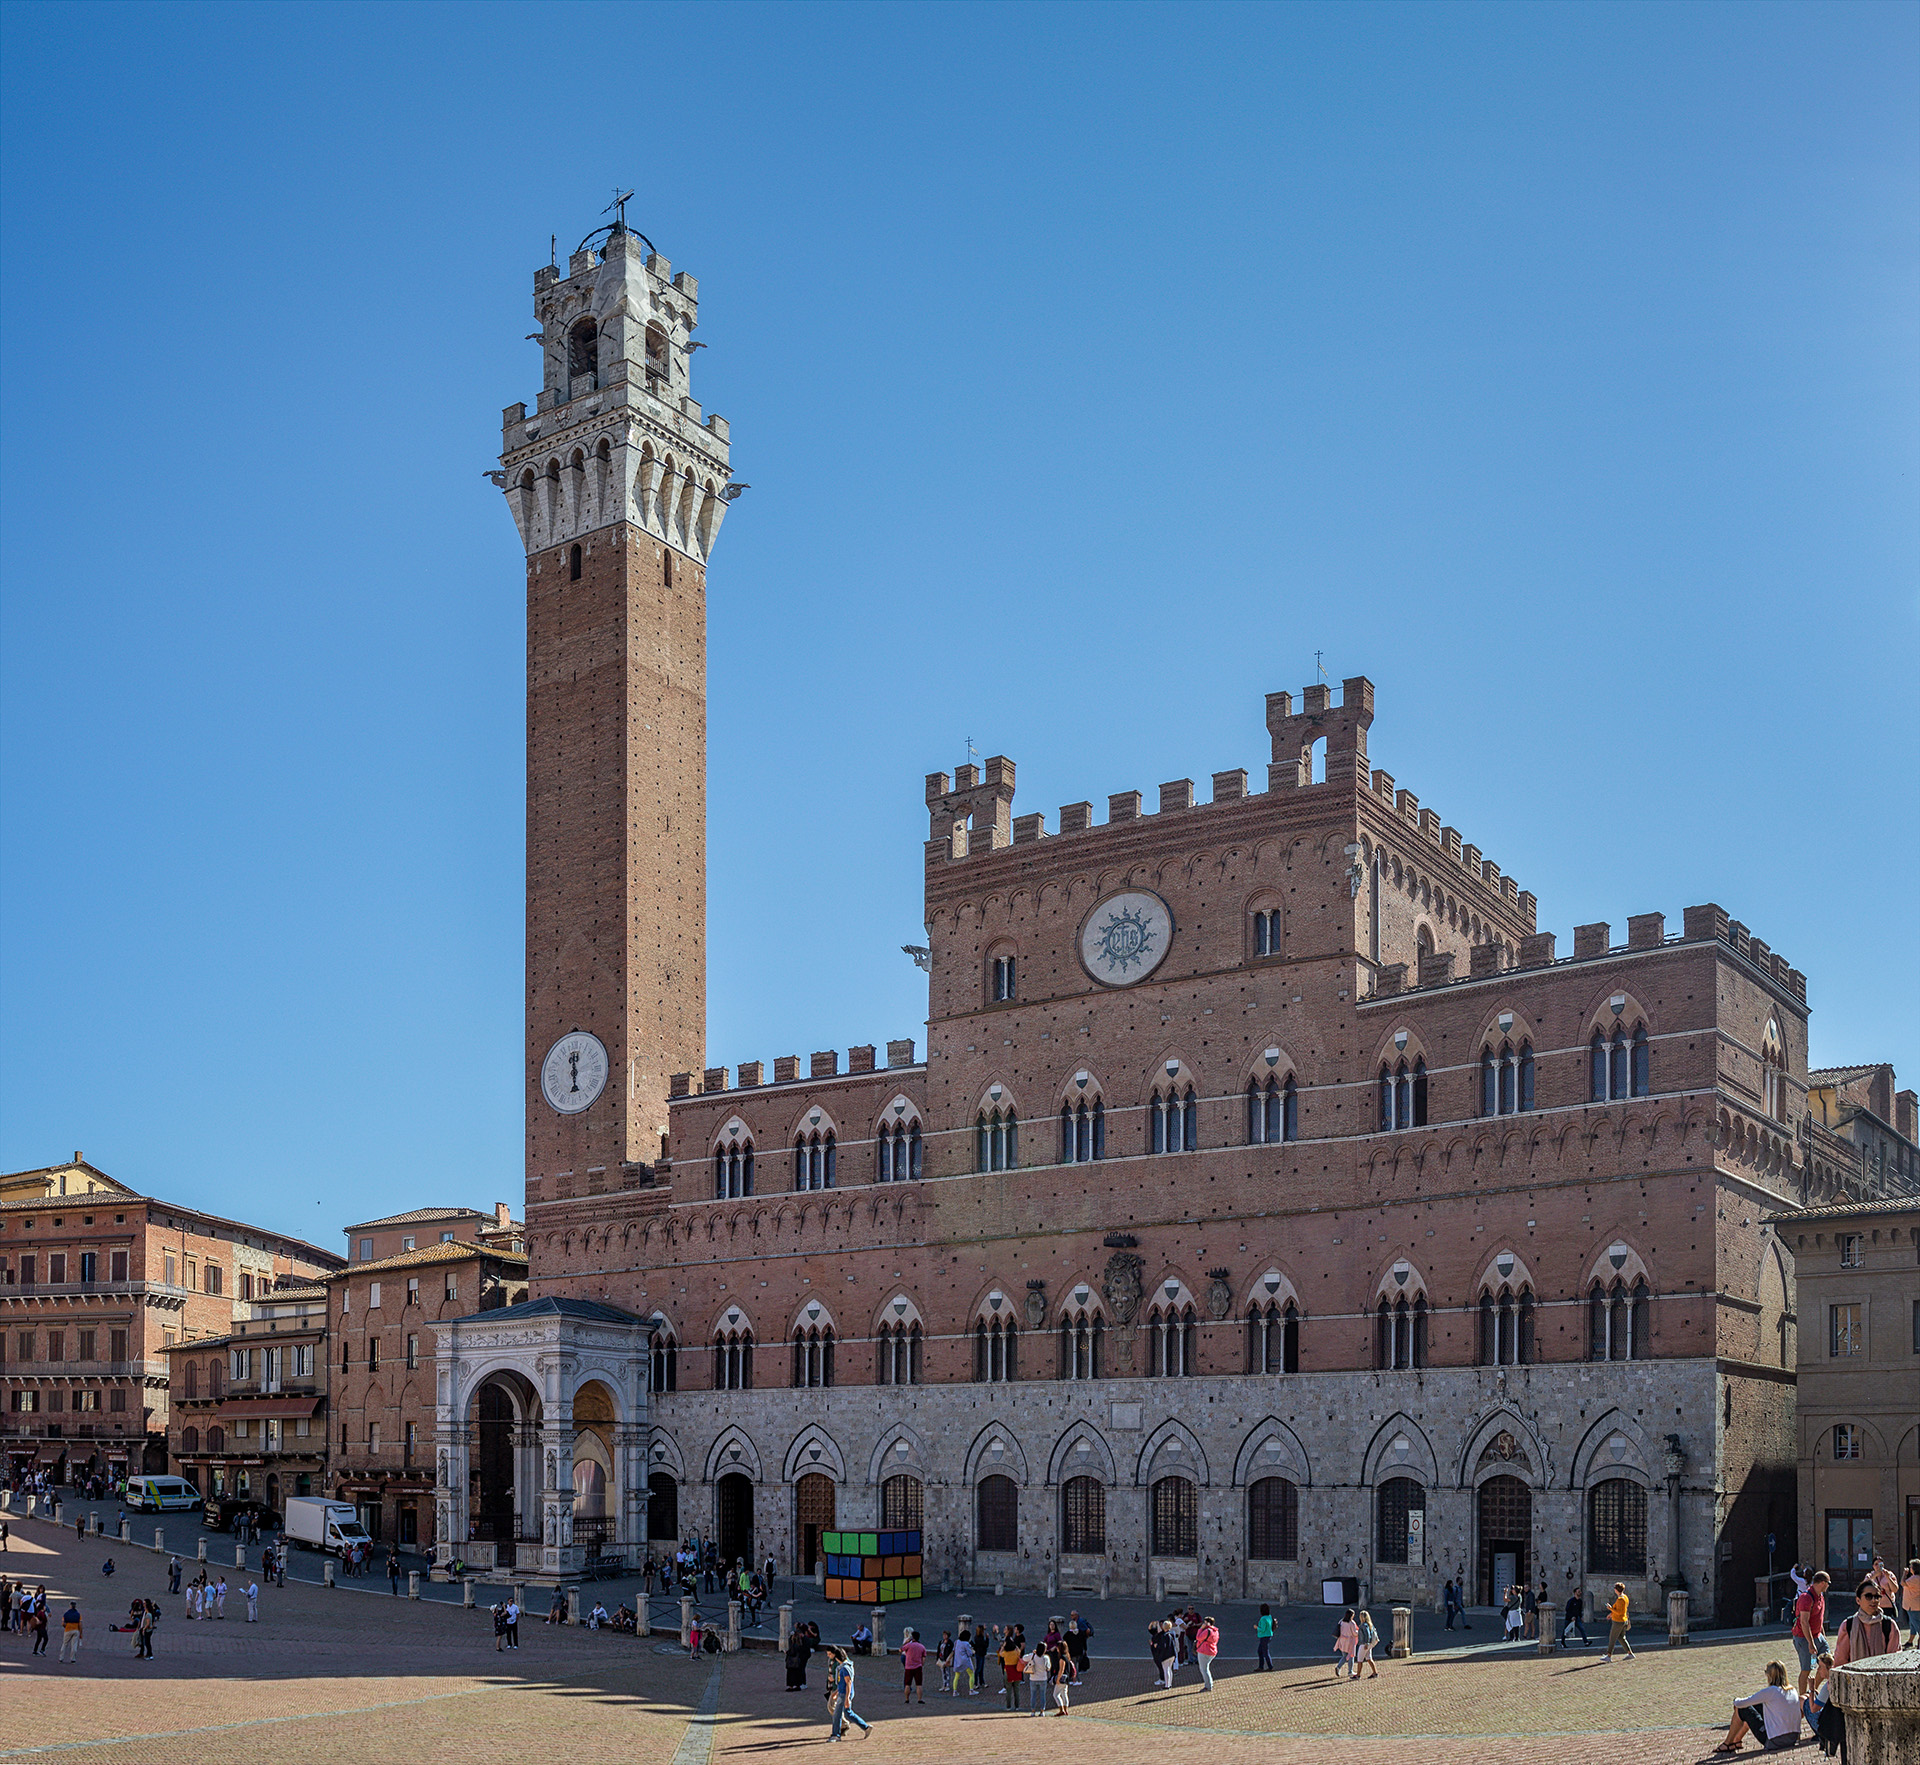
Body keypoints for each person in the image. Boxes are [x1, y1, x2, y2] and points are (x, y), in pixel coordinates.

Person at [1712, 1659, 1801, 1753]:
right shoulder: (1793, 1690)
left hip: (1775, 1741)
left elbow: (1740, 1703)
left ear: (1769, 1675)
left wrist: (1735, 1700)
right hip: (1793, 1738)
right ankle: (1737, 1740)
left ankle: (1727, 1743)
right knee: (1757, 1707)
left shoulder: (1771, 1691)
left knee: (1741, 1709)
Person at [1831, 1580, 1900, 1665]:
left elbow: (1894, 1658)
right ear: (1858, 1600)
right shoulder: (1848, 1625)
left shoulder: (1889, 1625)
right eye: (1868, 1596)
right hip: (1854, 1673)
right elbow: (1841, 1659)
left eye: (1877, 1597)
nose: (1874, 1600)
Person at [1792, 1570, 1830, 1695]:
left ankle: (1813, 1691)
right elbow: (1804, 1622)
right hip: (1804, 1638)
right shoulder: (1806, 1598)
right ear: (1823, 1583)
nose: (1828, 1586)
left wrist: (1823, 1636)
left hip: (1818, 1636)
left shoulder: (1821, 1597)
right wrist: (1810, 1643)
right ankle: (1803, 1699)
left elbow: (1819, 1619)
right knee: (1806, 1669)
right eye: (1828, 1583)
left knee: (1827, 1663)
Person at [826, 1646, 871, 1741]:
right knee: (848, 1713)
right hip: (842, 1693)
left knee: (837, 1714)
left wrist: (847, 1698)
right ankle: (865, 1727)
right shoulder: (844, 1667)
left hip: (844, 1694)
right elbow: (842, 1683)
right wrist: (836, 1692)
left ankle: (836, 1734)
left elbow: (848, 1683)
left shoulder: (845, 1668)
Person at [1604, 1582, 1635, 1662]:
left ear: (1616, 1590)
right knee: (1621, 1637)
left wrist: (1610, 1608)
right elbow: (1621, 1610)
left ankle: (1609, 1655)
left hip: (1618, 1621)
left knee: (1612, 1638)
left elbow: (1619, 1612)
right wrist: (1611, 1614)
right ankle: (1630, 1653)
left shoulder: (1620, 1599)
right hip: (1623, 1620)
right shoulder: (1625, 1597)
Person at [998, 1628, 1025, 1708]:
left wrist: (1003, 1646)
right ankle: (1017, 1706)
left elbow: (1000, 1653)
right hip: (1016, 1671)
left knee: (1008, 1691)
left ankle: (1008, 1706)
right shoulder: (1016, 1652)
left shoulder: (1005, 1653)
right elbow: (1018, 1650)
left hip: (1008, 1671)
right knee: (1017, 1690)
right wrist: (1015, 1645)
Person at [1193, 1614, 1220, 1690]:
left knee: (1204, 1669)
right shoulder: (1215, 1631)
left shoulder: (1207, 1631)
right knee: (1206, 1668)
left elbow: (1198, 1637)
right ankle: (1210, 1683)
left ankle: (1208, 1686)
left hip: (1204, 1651)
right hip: (1212, 1651)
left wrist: (1201, 1629)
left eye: (1204, 1622)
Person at [900, 1627, 926, 1702]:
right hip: (918, 1666)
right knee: (919, 1684)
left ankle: (907, 1699)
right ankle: (919, 1699)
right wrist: (921, 1664)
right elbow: (923, 1657)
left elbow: (901, 1649)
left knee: (907, 1684)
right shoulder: (922, 1646)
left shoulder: (908, 1645)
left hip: (908, 1667)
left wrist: (906, 1642)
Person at [1148, 1619, 1175, 1689]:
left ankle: (1167, 1685)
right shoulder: (1171, 1634)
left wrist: (1156, 1646)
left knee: (1166, 1670)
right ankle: (1169, 1684)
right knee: (1169, 1669)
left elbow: (1163, 1646)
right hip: (1172, 1654)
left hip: (1166, 1655)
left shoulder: (1164, 1636)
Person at [1354, 1609, 1381, 1679]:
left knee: (1360, 1659)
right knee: (1369, 1658)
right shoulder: (1370, 1625)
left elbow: (1367, 1634)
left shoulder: (1364, 1625)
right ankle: (1375, 1673)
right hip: (1369, 1644)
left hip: (1364, 1644)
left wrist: (1366, 1643)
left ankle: (1358, 1675)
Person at [1334, 1608, 1359, 1679]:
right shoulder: (1352, 1623)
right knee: (1351, 1655)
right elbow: (1354, 1633)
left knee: (1344, 1656)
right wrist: (1359, 1632)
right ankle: (1350, 1671)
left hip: (1342, 1640)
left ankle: (1338, 1667)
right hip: (1350, 1641)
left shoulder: (1341, 1621)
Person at [951, 1628, 976, 1697]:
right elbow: (969, 1653)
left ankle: (954, 1691)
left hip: (957, 1661)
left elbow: (954, 1650)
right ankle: (971, 1690)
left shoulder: (956, 1642)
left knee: (956, 1676)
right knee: (971, 1674)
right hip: (965, 1661)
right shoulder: (966, 1644)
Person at [58, 1599, 82, 1665]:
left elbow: (63, 1623)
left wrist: (65, 1626)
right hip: (76, 1630)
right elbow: (80, 1624)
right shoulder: (78, 1614)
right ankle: (73, 1659)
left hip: (68, 1630)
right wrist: (80, 1632)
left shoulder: (66, 1614)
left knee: (64, 1644)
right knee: (74, 1645)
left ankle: (61, 1658)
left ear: (70, 1606)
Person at [1903, 1560, 1920, 1649]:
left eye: (1910, 1567)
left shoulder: (1915, 1578)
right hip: (1915, 1605)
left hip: (1912, 1606)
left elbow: (1902, 1583)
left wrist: (1904, 1574)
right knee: (1912, 1625)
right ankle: (1910, 1641)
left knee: (1917, 1625)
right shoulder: (1916, 1578)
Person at [1255, 1602, 1275, 1670]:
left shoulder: (1263, 1619)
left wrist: (1256, 1627)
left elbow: (1262, 1629)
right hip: (1268, 1635)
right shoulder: (1269, 1617)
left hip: (1264, 1636)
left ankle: (1269, 1666)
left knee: (1265, 1652)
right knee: (1260, 1651)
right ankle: (1261, 1666)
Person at [935, 1629, 954, 1694]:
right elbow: (938, 1650)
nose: (944, 1636)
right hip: (941, 1658)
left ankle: (947, 1685)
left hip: (947, 1659)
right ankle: (944, 1684)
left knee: (947, 1672)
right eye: (944, 1635)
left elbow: (951, 1652)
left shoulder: (950, 1643)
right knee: (943, 1672)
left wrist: (949, 1659)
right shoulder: (941, 1642)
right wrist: (937, 1658)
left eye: (945, 1635)